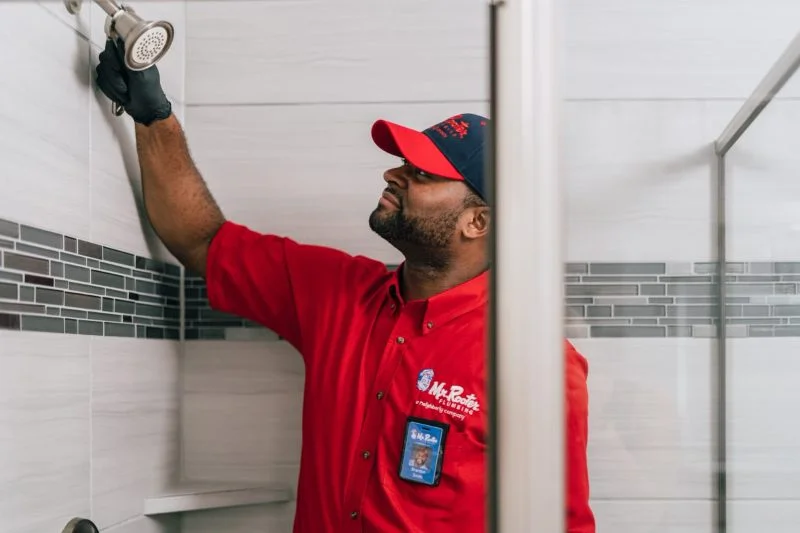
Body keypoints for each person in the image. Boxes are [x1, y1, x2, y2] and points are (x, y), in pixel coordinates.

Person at [94, 39, 596, 533]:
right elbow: (201, 240)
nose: (392, 173)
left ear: (478, 221)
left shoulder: (536, 363)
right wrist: (154, 117)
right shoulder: (337, 292)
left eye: (420, 172)